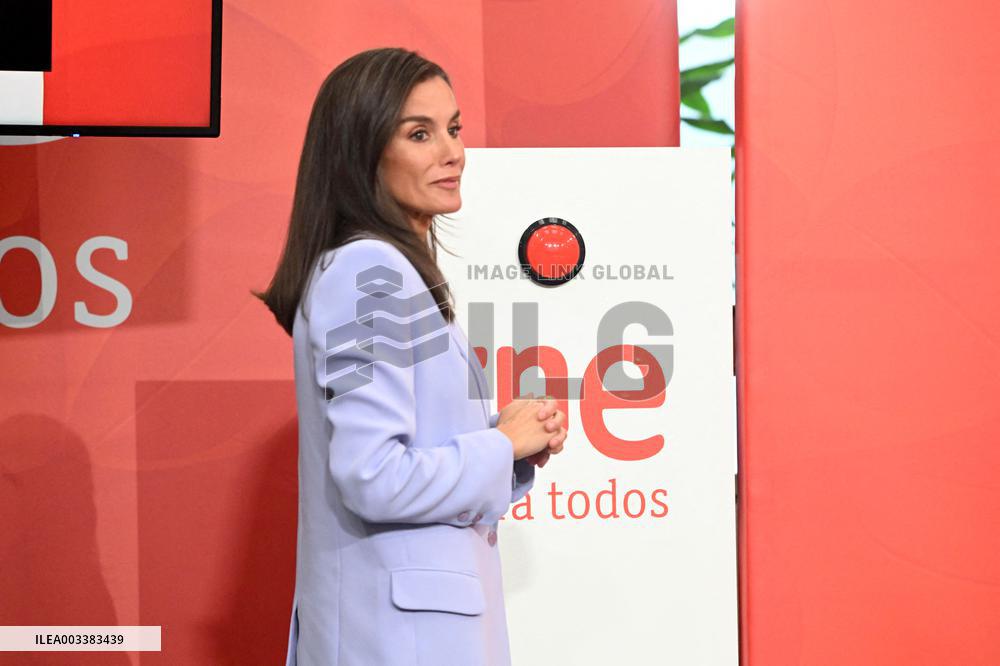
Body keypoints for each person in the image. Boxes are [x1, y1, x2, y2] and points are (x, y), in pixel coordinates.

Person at [255, 47, 567, 666]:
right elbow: (372, 476)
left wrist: (512, 450)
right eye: (419, 134)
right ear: (361, 152)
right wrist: (501, 443)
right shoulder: (369, 271)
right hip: (395, 640)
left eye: (453, 129)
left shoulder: (387, 271)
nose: (452, 152)